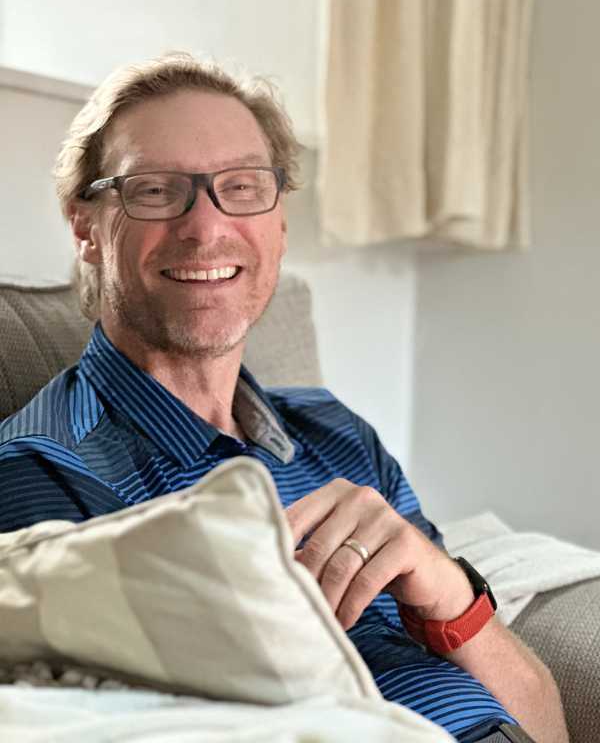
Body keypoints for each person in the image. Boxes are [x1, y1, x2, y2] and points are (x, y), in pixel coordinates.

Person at [0, 53, 567, 743]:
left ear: (280, 223)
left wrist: (448, 593)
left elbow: (541, 716)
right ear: (85, 227)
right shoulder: (42, 470)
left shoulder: (337, 434)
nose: (206, 227)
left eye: (241, 186)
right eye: (154, 190)